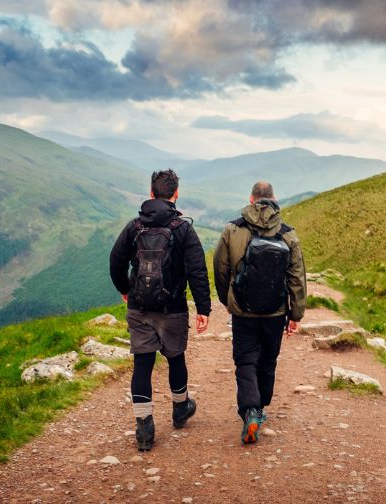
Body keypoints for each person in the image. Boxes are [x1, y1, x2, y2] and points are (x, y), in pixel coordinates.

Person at [110, 169, 211, 451]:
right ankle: (180, 409)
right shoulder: (183, 229)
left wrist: (126, 290)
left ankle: (144, 428)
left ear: (151, 193)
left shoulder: (134, 227)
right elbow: (197, 271)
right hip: (174, 308)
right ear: (176, 194)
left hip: (139, 307)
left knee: (142, 363)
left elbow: (115, 262)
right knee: (175, 358)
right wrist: (204, 308)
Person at [213, 180, 306, 444]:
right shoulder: (288, 234)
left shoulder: (233, 229)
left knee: (245, 361)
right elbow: (297, 277)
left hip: (242, 311)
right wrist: (295, 315)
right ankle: (260, 407)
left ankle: (250, 411)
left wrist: (228, 300)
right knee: (268, 361)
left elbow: (220, 268)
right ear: (274, 199)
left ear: (251, 200)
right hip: (275, 312)